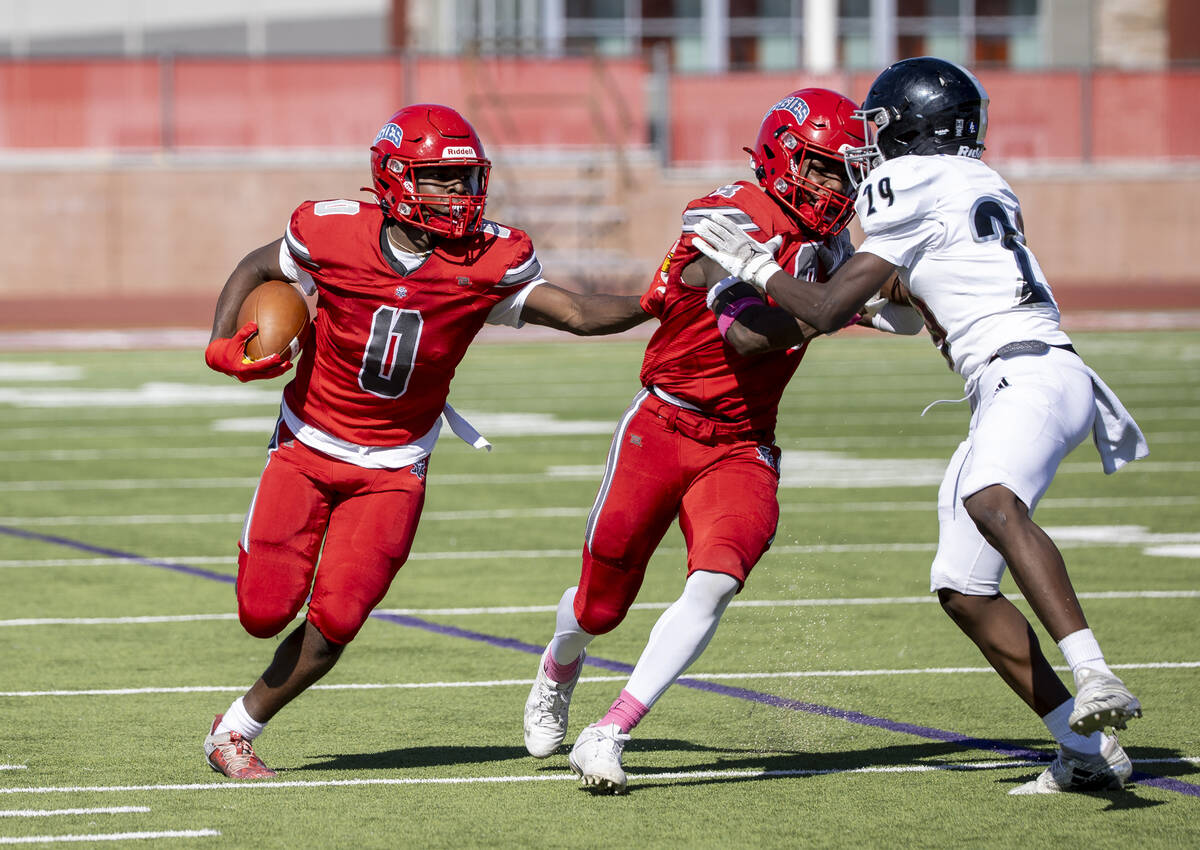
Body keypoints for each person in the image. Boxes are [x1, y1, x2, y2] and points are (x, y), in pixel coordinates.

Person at [692, 57, 1148, 796]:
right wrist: (882, 299)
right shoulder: (977, 183)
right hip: (1023, 375)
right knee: (964, 586)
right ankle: (1084, 751)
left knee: (991, 501)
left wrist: (755, 268)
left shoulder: (909, 180)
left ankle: (1093, 671)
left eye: (877, 127)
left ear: (910, 128)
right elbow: (900, 292)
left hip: (1024, 373)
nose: (868, 147)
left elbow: (826, 310)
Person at [201, 103, 652, 779]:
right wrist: (219, 340)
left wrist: (659, 300)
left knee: (338, 622)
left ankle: (235, 730)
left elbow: (581, 315)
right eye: (441, 179)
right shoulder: (330, 233)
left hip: (396, 464)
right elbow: (256, 269)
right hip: (306, 441)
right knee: (263, 612)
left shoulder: (491, 258)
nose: (460, 196)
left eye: (467, 180)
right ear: (393, 178)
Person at [522, 88, 891, 794]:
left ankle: (612, 729)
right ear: (783, 158)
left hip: (743, 442)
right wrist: (836, 309)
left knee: (716, 579)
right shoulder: (731, 216)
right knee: (601, 605)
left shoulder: (835, 244)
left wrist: (894, 296)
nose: (838, 187)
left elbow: (886, 305)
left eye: (847, 172)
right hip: (663, 422)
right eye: (823, 168)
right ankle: (560, 663)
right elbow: (749, 336)